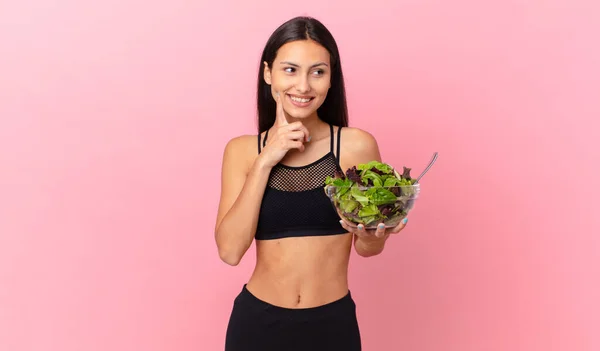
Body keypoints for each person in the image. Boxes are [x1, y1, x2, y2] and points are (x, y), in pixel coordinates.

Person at [214, 16, 409, 351]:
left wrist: (374, 236)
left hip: (331, 326)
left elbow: (367, 247)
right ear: (268, 74)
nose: (303, 86)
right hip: (257, 325)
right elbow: (230, 251)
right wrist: (266, 160)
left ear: (331, 79)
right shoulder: (243, 151)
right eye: (290, 70)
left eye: (317, 71)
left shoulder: (355, 146)